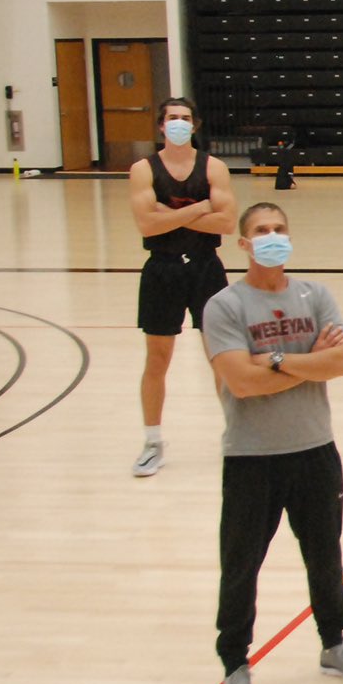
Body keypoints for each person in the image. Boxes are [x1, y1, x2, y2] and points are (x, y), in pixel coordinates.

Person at [202, 203, 343, 684]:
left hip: (315, 450)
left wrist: (275, 360)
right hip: (252, 457)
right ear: (243, 244)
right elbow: (241, 382)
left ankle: (334, 643)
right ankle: (235, 663)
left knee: (325, 555)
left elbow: (342, 362)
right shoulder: (225, 306)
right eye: (260, 231)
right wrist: (308, 364)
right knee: (241, 565)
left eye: (278, 230)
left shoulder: (314, 295)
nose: (271, 237)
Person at [127, 96, 237, 477]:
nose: (178, 123)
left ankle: (236, 434)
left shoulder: (214, 167)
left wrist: (168, 214)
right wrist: (199, 208)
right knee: (157, 360)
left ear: (195, 124)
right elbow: (146, 225)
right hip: (162, 270)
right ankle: (153, 441)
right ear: (161, 126)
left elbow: (226, 223)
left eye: (185, 118)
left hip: (207, 269)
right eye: (172, 118)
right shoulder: (143, 169)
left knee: (222, 357)